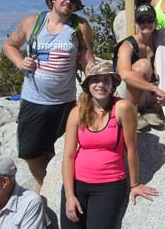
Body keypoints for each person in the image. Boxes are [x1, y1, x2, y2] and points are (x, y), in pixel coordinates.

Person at [2, 0, 94, 194]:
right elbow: (9, 45)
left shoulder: (80, 26)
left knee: (62, 149)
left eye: (72, 0)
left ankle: (57, 186)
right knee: (29, 151)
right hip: (34, 99)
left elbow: (88, 58)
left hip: (65, 102)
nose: (67, 1)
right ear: (52, 0)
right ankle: (45, 182)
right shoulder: (32, 23)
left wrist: (96, 86)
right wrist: (19, 62)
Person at [61, 60, 157, 229]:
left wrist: (135, 184)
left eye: (106, 80)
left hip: (109, 186)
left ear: (113, 85)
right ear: (88, 85)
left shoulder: (122, 108)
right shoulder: (77, 112)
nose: (101, 85)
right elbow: (68, 156)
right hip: (77, 184)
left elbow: (131, 148)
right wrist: (69, 196)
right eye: (95, 80)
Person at [113, 4, 165, 131]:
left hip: (149, 93)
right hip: (127, 92)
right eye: (141, 21)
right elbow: (125, 75)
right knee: (143, 65)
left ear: (156, 22)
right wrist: (154, 88)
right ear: (136, 23)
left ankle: (149, 110)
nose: (146, 24)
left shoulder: (159, 41)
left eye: (150, 20)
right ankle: (132, 111)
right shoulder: (128, 45)